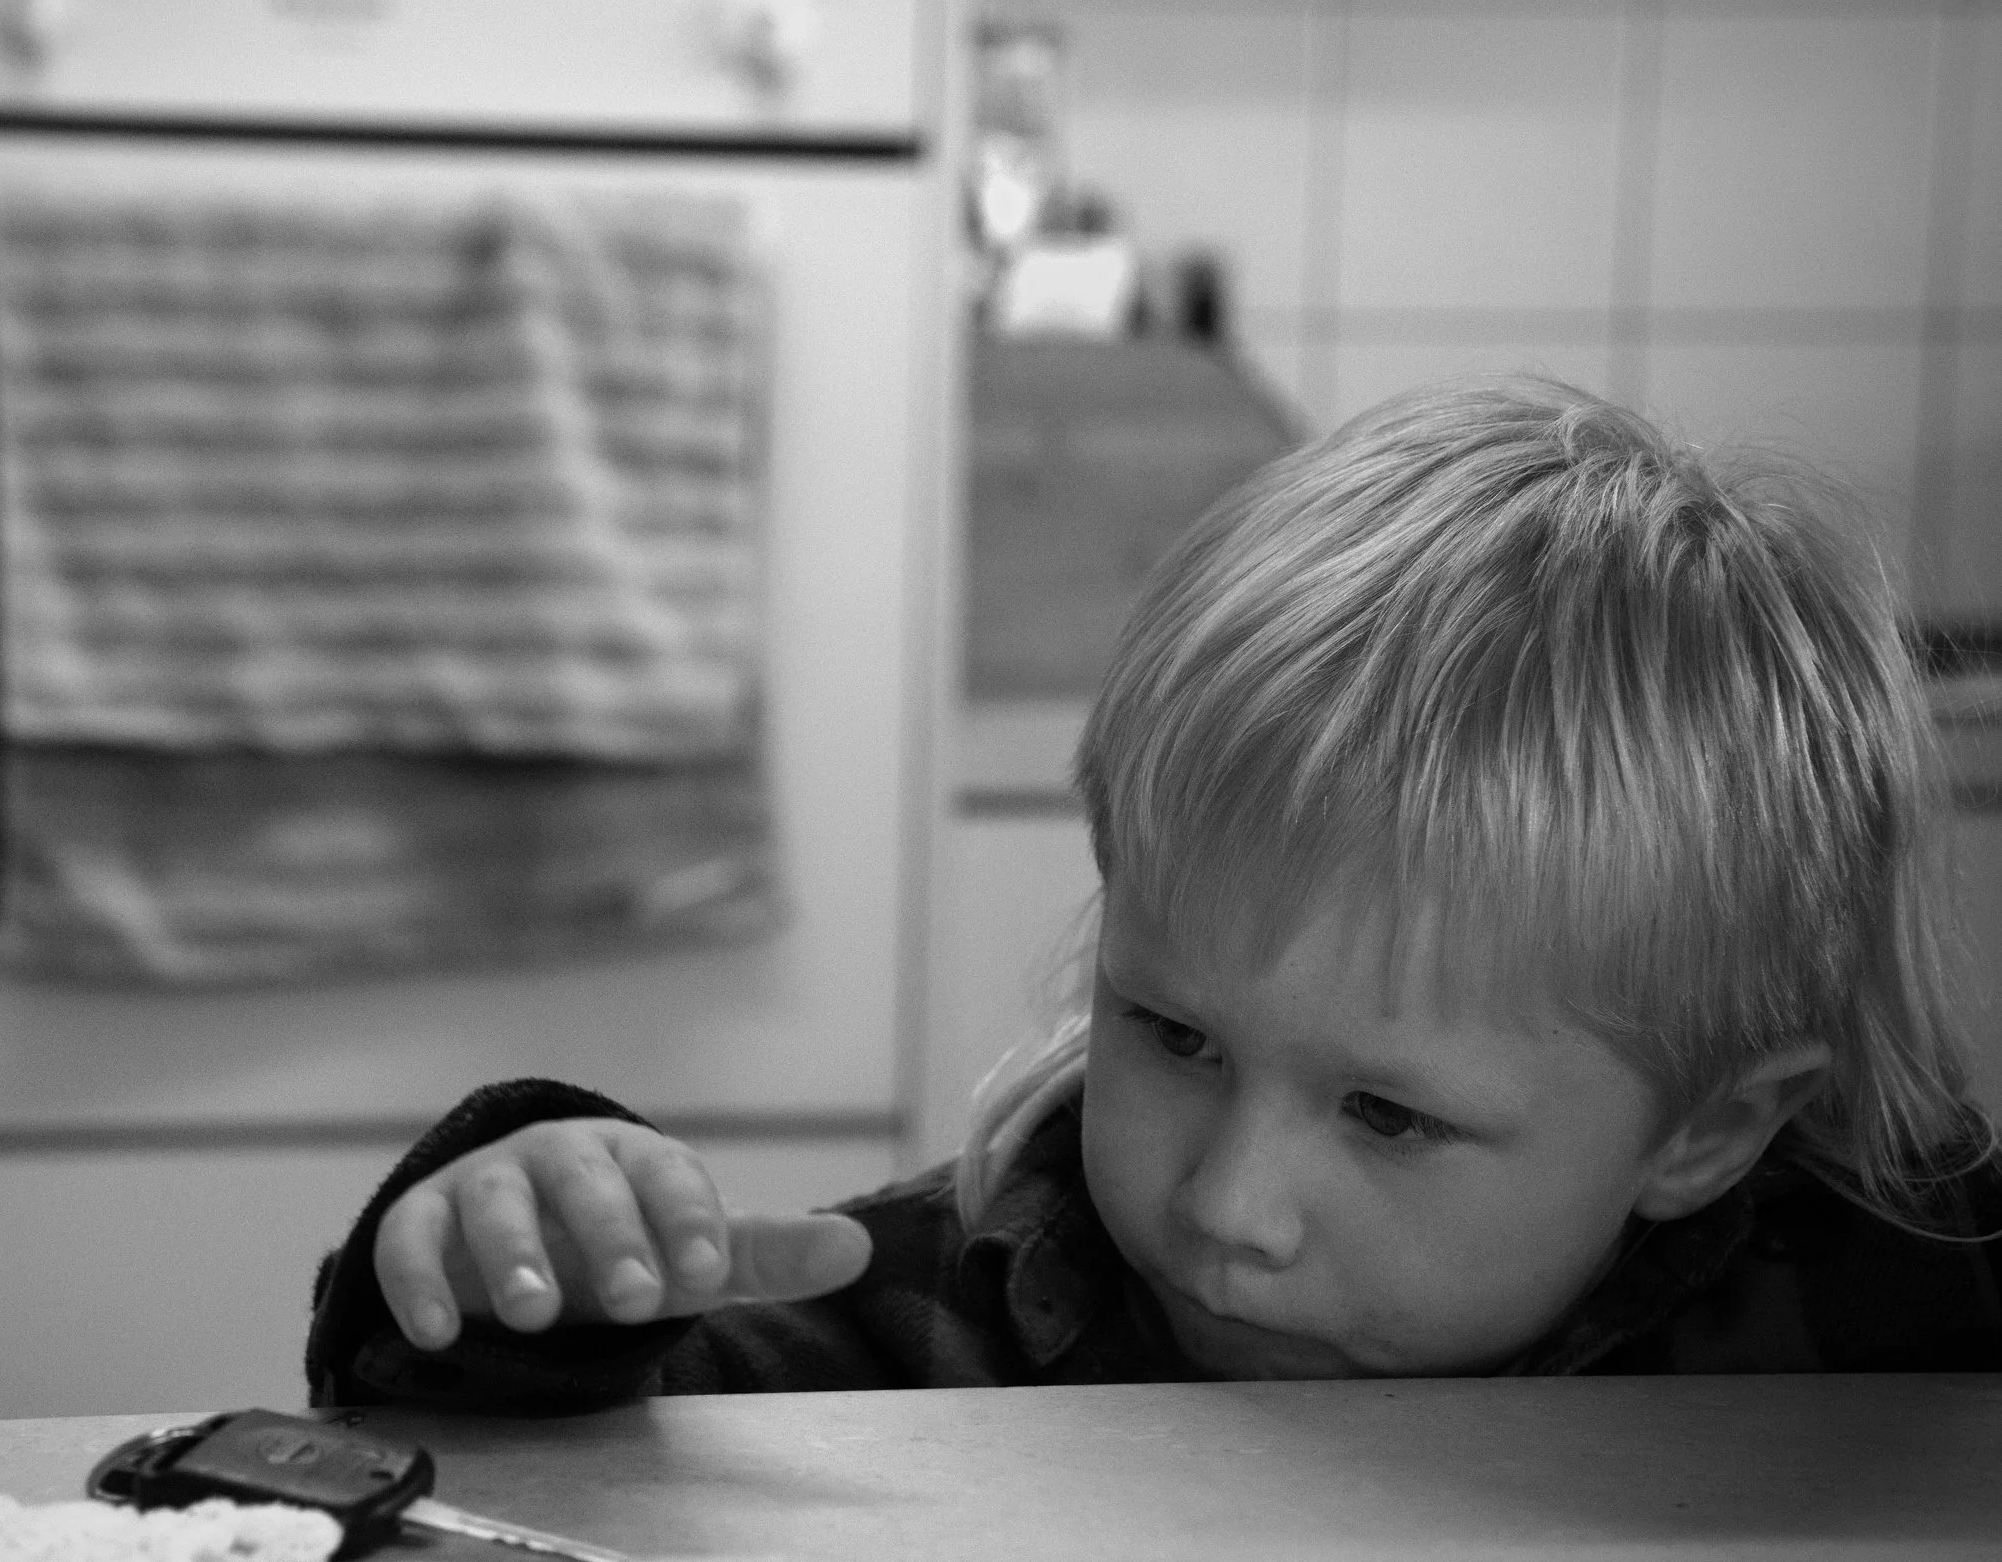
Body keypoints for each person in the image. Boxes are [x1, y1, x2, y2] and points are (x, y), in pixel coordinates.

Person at [305, 376, 2002, 1408]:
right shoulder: (961, 1303)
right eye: (1175, 1031)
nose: (1227, 1209)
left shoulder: (1887, 1304)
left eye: (1390, 1116)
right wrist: (516, 1270)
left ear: (1703, 1130)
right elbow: (568, 1435)